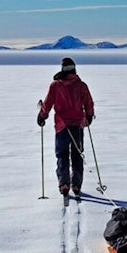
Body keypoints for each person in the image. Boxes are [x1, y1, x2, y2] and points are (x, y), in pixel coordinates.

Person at [37, 57, 95, 197]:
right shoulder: (81, 85)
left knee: (62, 155)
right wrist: (88, 116)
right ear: (74, 69)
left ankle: (64, 184)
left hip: (62, 126)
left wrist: (42, 116)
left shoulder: (56, 85)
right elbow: (89, 103)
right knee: (77, 155)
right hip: (77, 125)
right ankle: (76, 185)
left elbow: (48, 103)